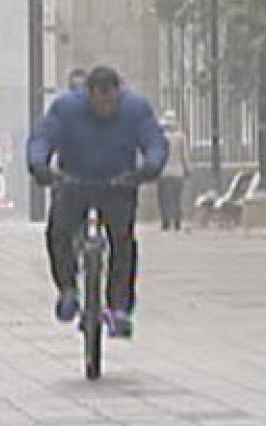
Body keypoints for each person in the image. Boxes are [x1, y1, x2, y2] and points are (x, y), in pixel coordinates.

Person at [28, 66, 167, 338]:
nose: (105, 107)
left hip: (118, 183)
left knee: (122, 242)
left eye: (110, 100)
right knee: (59, 232)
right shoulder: (66, 109)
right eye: (98, 101)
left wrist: (150, 166)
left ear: (119, 93)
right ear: (87, 95)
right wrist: (39, 165)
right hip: (74, 182)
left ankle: (119, 308)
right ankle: (67, 288)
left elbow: (154, 141)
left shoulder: (136, 110)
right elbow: (43, 137)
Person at [156, 111, 190, 232]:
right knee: (176, 198)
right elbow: (184, 156)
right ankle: (177, 221)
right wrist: (186, 168)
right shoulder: (181, 137)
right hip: (177, 172)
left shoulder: (160, 136)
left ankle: (165, 222)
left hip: (163, 172)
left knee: (163, 199)